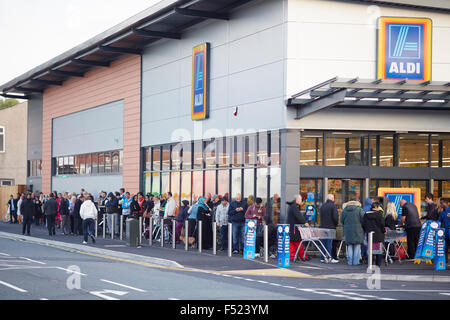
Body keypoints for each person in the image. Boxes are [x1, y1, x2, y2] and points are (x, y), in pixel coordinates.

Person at [340, 200, 365, 266]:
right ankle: (356, 262)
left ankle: (350, 262)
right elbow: (364, 219)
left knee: (349, 246)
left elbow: (341, 220)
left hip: (348, 231)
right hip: (358, 230)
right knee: (357, 246)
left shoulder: (344, 210)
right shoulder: (360, 210)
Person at [362, 201, 385, 267]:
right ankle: (378, 264)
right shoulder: (379, 214)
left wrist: (367, 230)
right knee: (378, 250)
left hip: (369, 234)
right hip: (378, 235)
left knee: (370, 249)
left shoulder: (366, 214)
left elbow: (363, 224)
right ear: (376, 207)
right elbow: (382, 224)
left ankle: (370, 263)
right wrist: (383, 231)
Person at [287, 195, 309, 261]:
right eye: (301, 199)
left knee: (292, 242)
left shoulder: (291, 206)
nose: (301, 201)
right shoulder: (294, 207)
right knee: (298, 242)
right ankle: (303, 256)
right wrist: (305, 222)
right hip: (294, 228)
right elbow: (298, 216)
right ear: (297, 200)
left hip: (291, 227)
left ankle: (292, 256)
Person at [319, 194, 339, 263]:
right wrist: (335, 225)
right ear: (332, 198)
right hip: (330, 227)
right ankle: (330, 257)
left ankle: (322, 257)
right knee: (329, 243)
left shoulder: (322, 206)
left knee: (323, 243)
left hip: (323, 227)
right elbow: (335, 217)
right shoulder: (333, 206)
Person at [438, 199, 449, 265]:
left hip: (449, 231)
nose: (440, 205)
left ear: (446, 203)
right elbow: (439, 221)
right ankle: (445, 261)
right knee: (445, 247)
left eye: (441, 203)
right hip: (445, 233)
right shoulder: (442, 212)